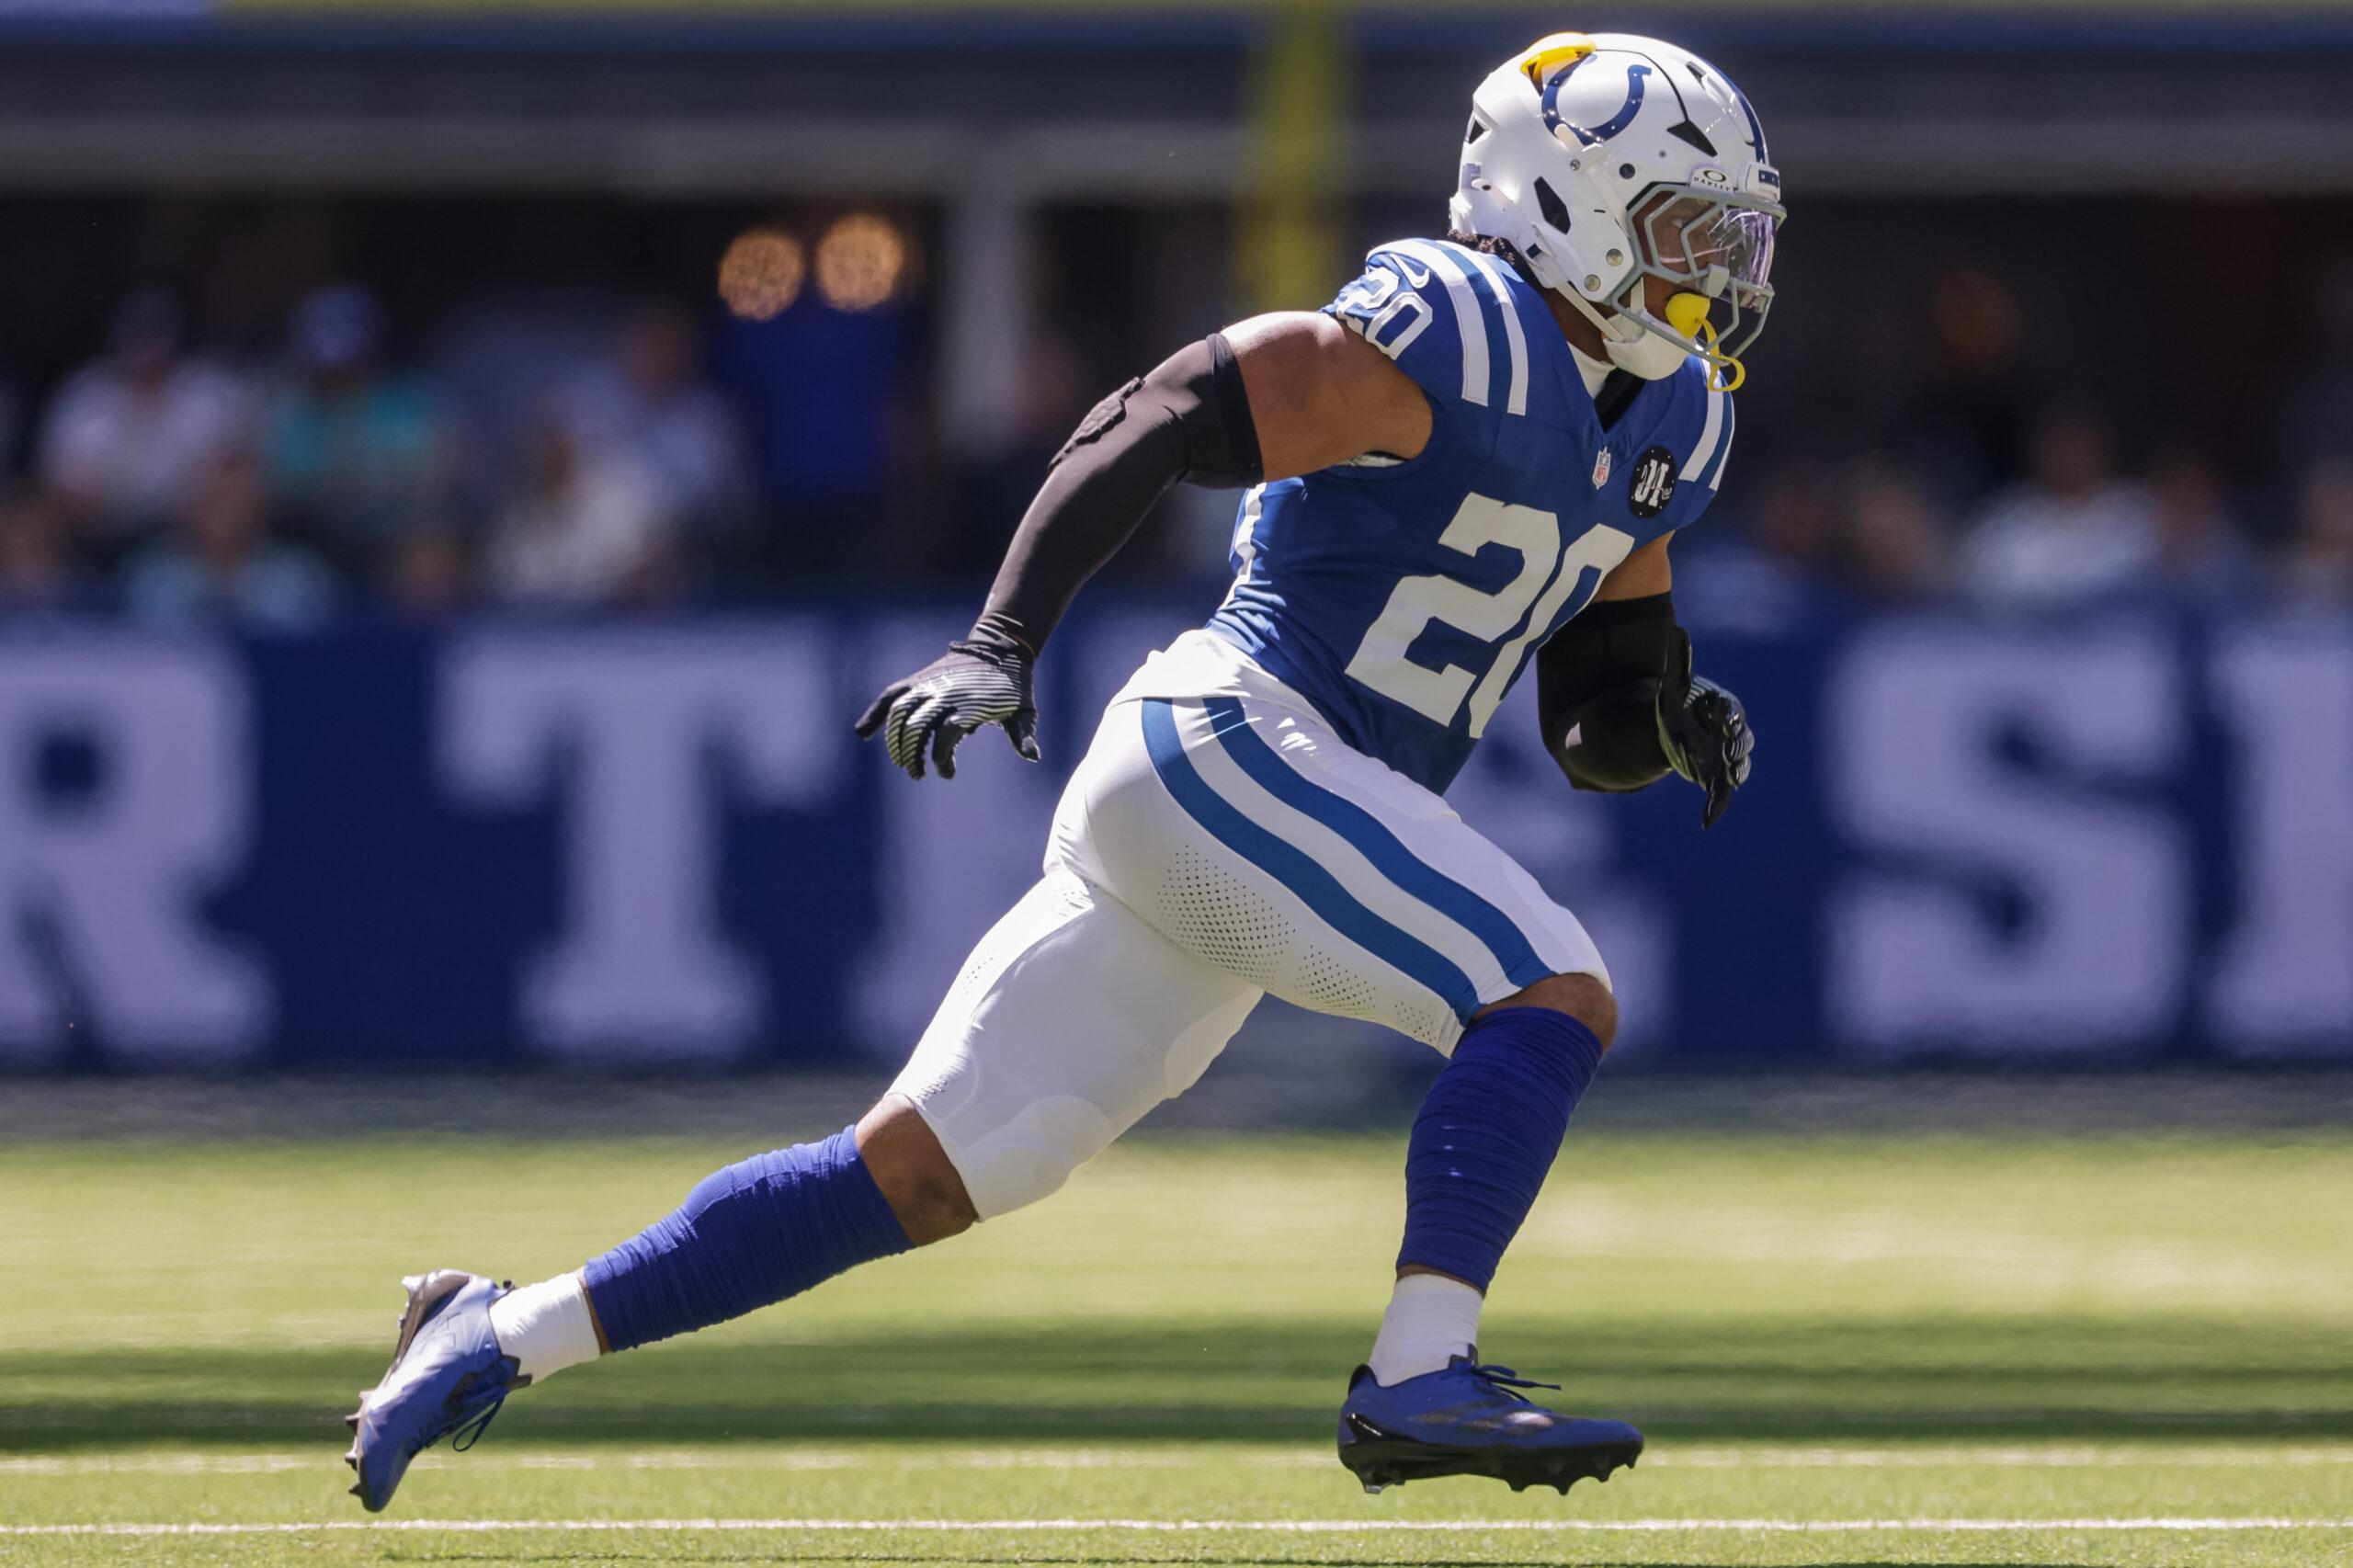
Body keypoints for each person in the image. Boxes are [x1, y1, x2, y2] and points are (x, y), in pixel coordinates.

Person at [347, 32, 1768, 1512]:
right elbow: (1161, 410)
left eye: (1734, 234)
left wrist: (1663, 718)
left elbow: (1590, 717)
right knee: (1550, 985)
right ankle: (1421, 1369)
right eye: (1687, 226)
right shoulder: (1458, 326)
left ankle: (497, 1329)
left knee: (923, 1170)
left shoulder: (1679, 418)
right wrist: (999, 639)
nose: (1720, 269)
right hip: (1235, 744)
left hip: (1255, 815)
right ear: (1561, 201)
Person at [37, 291, 251, 556]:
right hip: (102, 539)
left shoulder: (207, 391)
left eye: (154, 337)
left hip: (191, 535)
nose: (146, 351)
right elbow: (63, 488)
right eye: (137, 337)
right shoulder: (87, 394)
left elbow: (234, 475)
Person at [119, 447, 336, 631]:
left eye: (238, 502)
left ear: (262, 509)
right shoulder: (151, 577)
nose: (226, 514)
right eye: (214, 500)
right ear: (189, 507)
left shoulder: (299, 580)